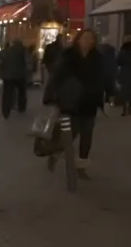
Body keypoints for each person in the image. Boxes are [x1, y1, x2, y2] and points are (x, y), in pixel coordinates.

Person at [43, 29, 105, 179]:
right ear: (78, 40)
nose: (88, 41)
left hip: (89, 102)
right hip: (71, 102)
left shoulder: (97, 58)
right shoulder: (68, 56)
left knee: (87, 138)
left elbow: (102, 78)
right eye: (85, 38)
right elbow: (56, 76)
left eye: (91, 38)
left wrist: (105, 94)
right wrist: (50, 97)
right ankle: (55, 156)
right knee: (69, 136)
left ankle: (81, 168)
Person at [0, 39, 28, 118]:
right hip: (20, 75)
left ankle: (5, 111)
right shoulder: (23, 50)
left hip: (8, 76)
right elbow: (27, 61)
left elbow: (1, 61)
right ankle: (21, 107)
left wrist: (1, 72)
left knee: (7, 94)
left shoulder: (7, 51)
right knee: (22, 92)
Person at [118, 36, 131, 116]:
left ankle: (124, 109)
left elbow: (118, 62)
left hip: (125, 73)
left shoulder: (123, 50)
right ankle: (130, 107)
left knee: (124, 91)